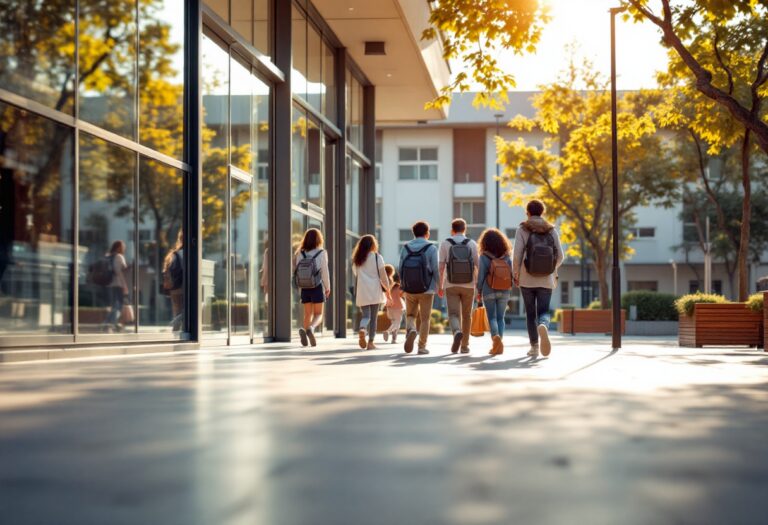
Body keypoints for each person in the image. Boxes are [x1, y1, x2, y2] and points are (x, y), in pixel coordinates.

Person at [513, 199, 564, 358]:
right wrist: (550, 269)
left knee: (530, 313)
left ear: (527, 212)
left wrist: (516, 274)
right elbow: (561, 256)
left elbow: (517, 255)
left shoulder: (522, 228)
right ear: (542, 212)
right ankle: (543, 325)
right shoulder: (551, 230)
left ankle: (534, 347)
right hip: (546, 280)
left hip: (527, 279)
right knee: (544, 311)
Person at [438, 218, 479, 354]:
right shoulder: (472, 243)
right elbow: (478, 265)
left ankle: (456, 332)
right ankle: (465, 346)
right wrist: (478, 285)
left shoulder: (445, 243)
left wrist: (440, 285)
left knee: (454, 313)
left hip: (451, 284)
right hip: (469, 285)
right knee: (467, 315)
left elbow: (441, 266)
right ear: (465, 229)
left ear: (452, 230)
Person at [398, 221, 439, 355]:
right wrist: (440, 285)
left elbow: (400, 268)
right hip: (427, 289)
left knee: (410, 315)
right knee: (425, 318)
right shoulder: (431, 248)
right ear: (427, 233)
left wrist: (402, 286)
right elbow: (436, 269)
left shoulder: (406, 247)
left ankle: (411, 329)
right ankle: (421, 346)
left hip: (409, 288)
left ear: (413, 233)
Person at [476, 228, 513, 355]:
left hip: (489, 290)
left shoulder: (484, 256)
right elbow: (511, 273)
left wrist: (478, 291)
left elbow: (481, 276)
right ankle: (499, 342)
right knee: (500, 318)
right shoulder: (507, 255)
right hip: (504, 290)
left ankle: (496, 340)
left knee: (491, 317)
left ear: (484, 242)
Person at [351, 235, 390, 350]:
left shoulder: (357, 259)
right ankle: (370, 343)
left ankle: (362, 328)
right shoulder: (377, 257)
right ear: (373, 245)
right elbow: (383, 277)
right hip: (375, 291)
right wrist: (388, 290)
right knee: (373, 318)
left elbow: (356, 274)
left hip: (362, 291)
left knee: (366, 315)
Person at [293, 228, 330, 347]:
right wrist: (327, 287)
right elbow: (325, 271)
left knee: (307, 314)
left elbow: (296, 271)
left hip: (304, 287)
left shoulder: (300, 253)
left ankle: (304, 331)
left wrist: (299, 286)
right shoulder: (322, 252)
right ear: (319, 239)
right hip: (317, 286)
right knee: (318, 314)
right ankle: (311, 329)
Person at [103, 240, 129, 332]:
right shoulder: (119, 257)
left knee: (114, 305)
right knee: (118, 306)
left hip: (108, 284)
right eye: (123, 247)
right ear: (118, 247)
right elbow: (119, 272)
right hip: (117, 284)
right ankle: (109, 324)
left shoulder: (108, 256)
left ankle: (109, 323)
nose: (124, 248)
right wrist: (124, 285)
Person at [162, 230, 184, 332]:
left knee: (177, 309)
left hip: (174, 288)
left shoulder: (173, 254)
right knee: (186, 310)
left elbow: (166, 271)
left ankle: (175, 329)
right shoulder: (190, 253)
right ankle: (176, 326)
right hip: (184, 287)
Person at [383, 264, 405, 343]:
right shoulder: (398, 286)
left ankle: (394, 339)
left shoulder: (386, 283)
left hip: (389, 306)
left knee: (394, 322)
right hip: (398, 306)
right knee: (397, 323)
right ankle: (388, 331)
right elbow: (401, 294)